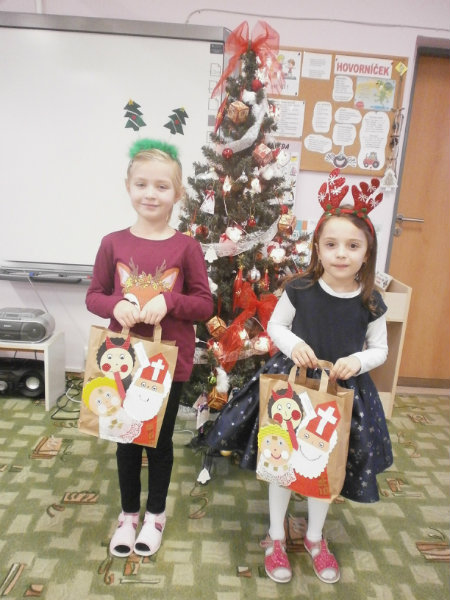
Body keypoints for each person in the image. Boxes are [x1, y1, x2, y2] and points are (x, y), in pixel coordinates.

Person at [205, 172, 392, 584]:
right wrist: (293, 346)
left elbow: (380, 349)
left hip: (339, 393)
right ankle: (275, 536)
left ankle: (314, 537)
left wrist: (358, 360)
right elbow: (276, 327)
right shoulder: (300, 288)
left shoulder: (371, 300)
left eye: (353, 246)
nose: (341, 254)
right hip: (292, 387)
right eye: (331, 244)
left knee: (322, 464)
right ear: (318, 248)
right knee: (283, 463)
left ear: (367, 253)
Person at [86, 138, 213, 558]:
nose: (150, 194)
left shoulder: (187, 247)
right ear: (128, 186)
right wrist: (115, 305)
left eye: (161, 186)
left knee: (158, 440)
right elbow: (94, 295)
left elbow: (204, 304)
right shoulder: (112, 243)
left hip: (167, 362)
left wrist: (169, 301)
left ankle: (155, 514)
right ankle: (128, 515)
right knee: (125, 439)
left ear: (178, 193)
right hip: (122, 360)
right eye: (141, 184)